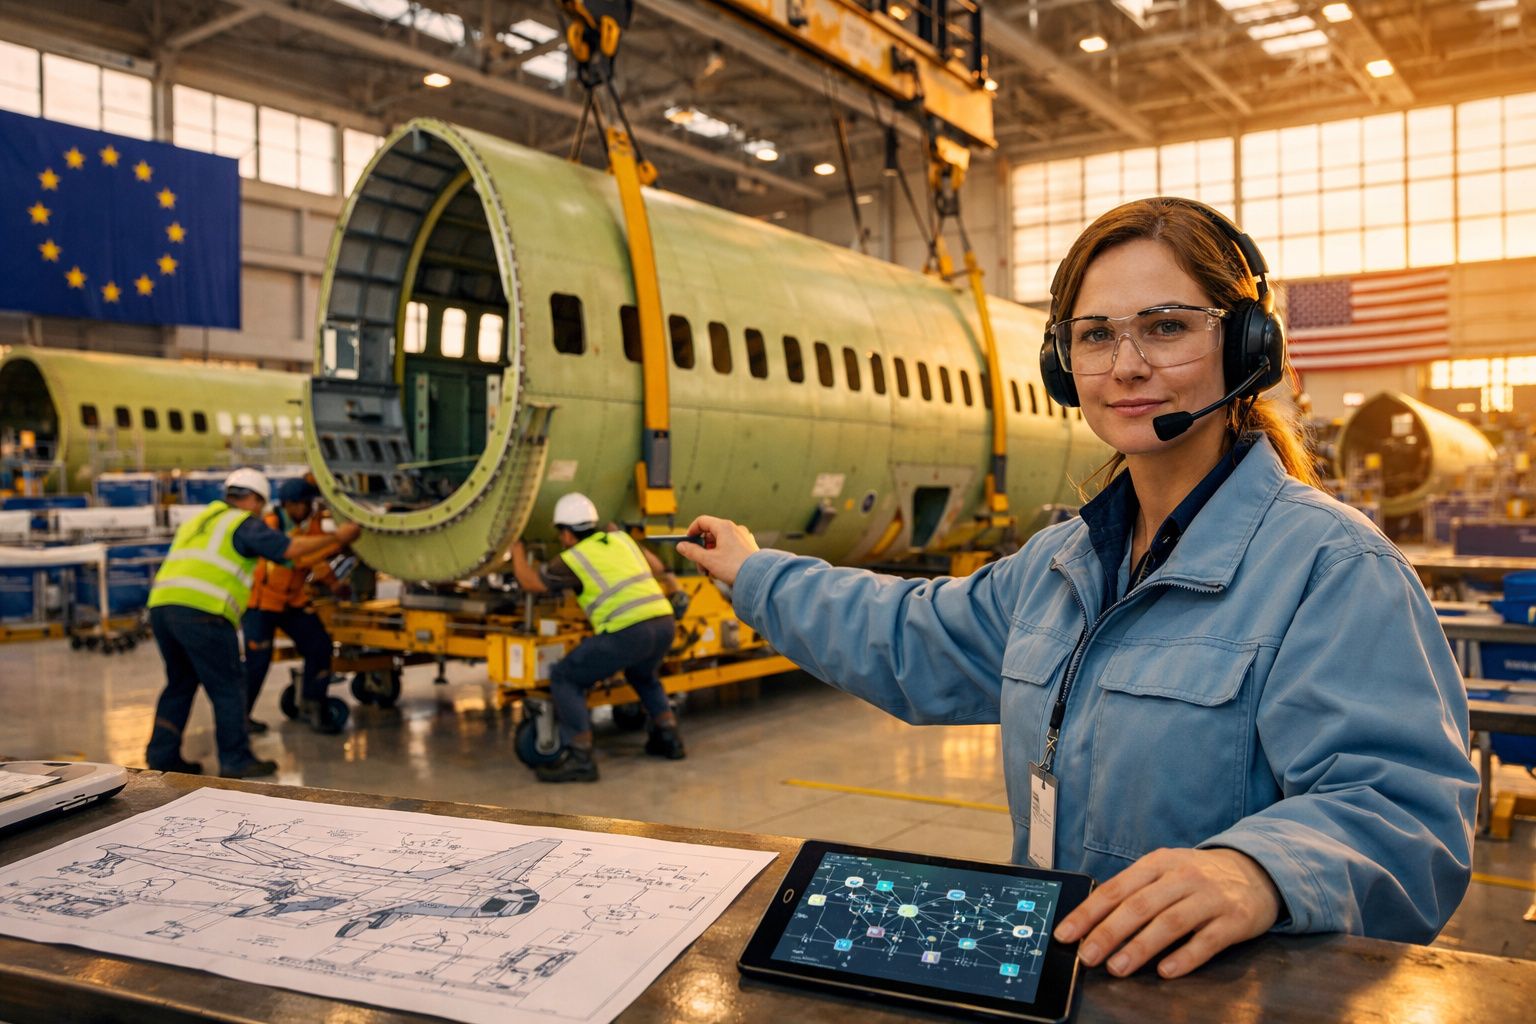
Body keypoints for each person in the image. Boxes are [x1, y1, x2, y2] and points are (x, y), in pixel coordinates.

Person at [678, 198, 1477, 980]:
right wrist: (756, 573)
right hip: (1057, 977)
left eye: (1166, 327)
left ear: (1244, 344)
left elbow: (1407, 814)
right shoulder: (1059, 564)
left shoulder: (1329, 567)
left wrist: (1258, 871)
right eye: (1096, 336)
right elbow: (909, 637)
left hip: (1213, 1001)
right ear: (1065, 366)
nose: (1128, 365)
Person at [145, 468, 361, 778]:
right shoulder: (242, 523)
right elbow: (289, 550)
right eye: (260, 504)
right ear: (254, 499)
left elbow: (290, 560)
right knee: (229, 687)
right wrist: (339, 537)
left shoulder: (199, 521)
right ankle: (236, 760)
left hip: (162, 608)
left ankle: (162, 756)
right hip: (203, 611)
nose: (261, 510)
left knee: (180, 684)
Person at [510, 492, 685, 782]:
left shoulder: (571, 559)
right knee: (643, 676)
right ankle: (670, 739)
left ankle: (580, 758)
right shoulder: (621, 539)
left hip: (628, 631)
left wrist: (516, 549)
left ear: (566, 534)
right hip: (663, 623)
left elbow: (531, 583)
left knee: (565, 678)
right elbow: (655, 566)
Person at [242, 478, 350, 735]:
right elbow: (300, 556)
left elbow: (317, 561)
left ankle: (313, 704)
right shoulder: (269, 526)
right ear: (291, 504)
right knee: (257, 662)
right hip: (262, 603)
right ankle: (240, 719)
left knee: (320, 646)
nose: (311, 508)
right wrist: (335, 542)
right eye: (306, 504)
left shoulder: (309, 525)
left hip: (293, 601)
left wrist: (334, 584)